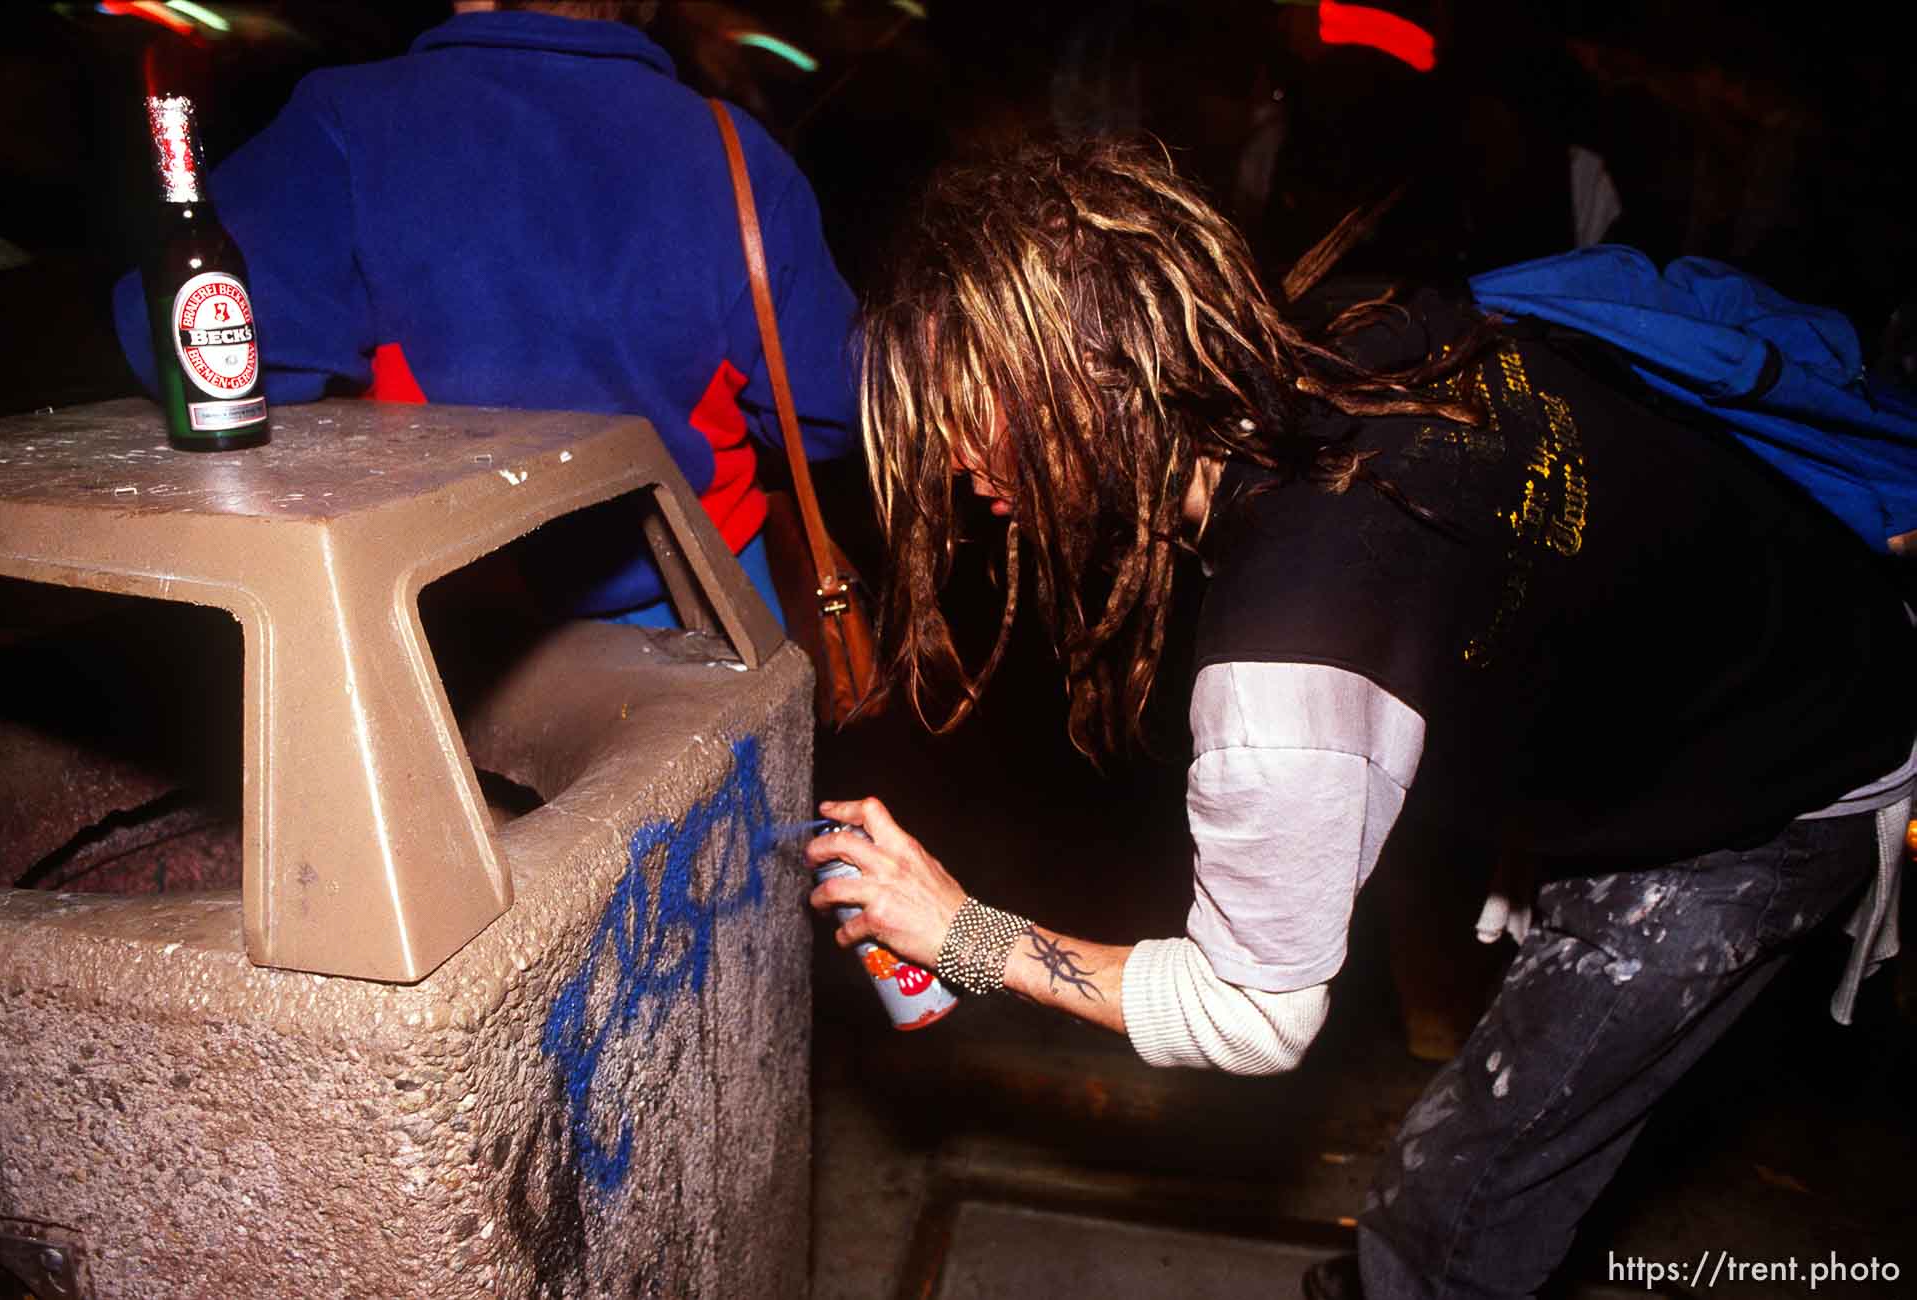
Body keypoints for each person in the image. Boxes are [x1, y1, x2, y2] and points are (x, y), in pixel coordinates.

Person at [802, 137, 1917, 1299]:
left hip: (1781, 782)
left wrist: (963, 934)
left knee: (1462, 1197)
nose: (958, 463)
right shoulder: (1335, 338)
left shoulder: (1295, 647)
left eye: (976, 411)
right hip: (1756, 652)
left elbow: (1251, 1015)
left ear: (1099, 375)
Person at [113, 0, 860, 624]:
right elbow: (831, 408)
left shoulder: (350, 118)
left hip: (451, 624)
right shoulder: (734, 149)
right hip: (710, 599)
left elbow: (182, 340)